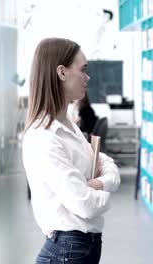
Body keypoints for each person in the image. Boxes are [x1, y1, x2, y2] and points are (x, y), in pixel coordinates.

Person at [22, 38, 120, 264]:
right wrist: (106, 195)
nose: (88, 77)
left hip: (81, 246)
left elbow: (104, 162)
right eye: (83, 70)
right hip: (67, 249)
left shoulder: (67, 124)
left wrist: (99, 183)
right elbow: (84, 204)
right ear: (62, 73)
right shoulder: (44, 136)